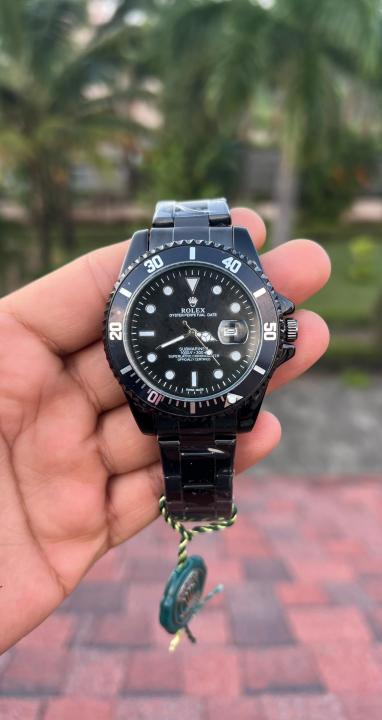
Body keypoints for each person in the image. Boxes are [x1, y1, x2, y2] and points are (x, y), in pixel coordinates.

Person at [0, 207, 330, 653]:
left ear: (280, 333)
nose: (193, 334)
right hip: (178, 401)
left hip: (202, 398)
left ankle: (200, 507)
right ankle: (198, 508)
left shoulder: (182, 299)